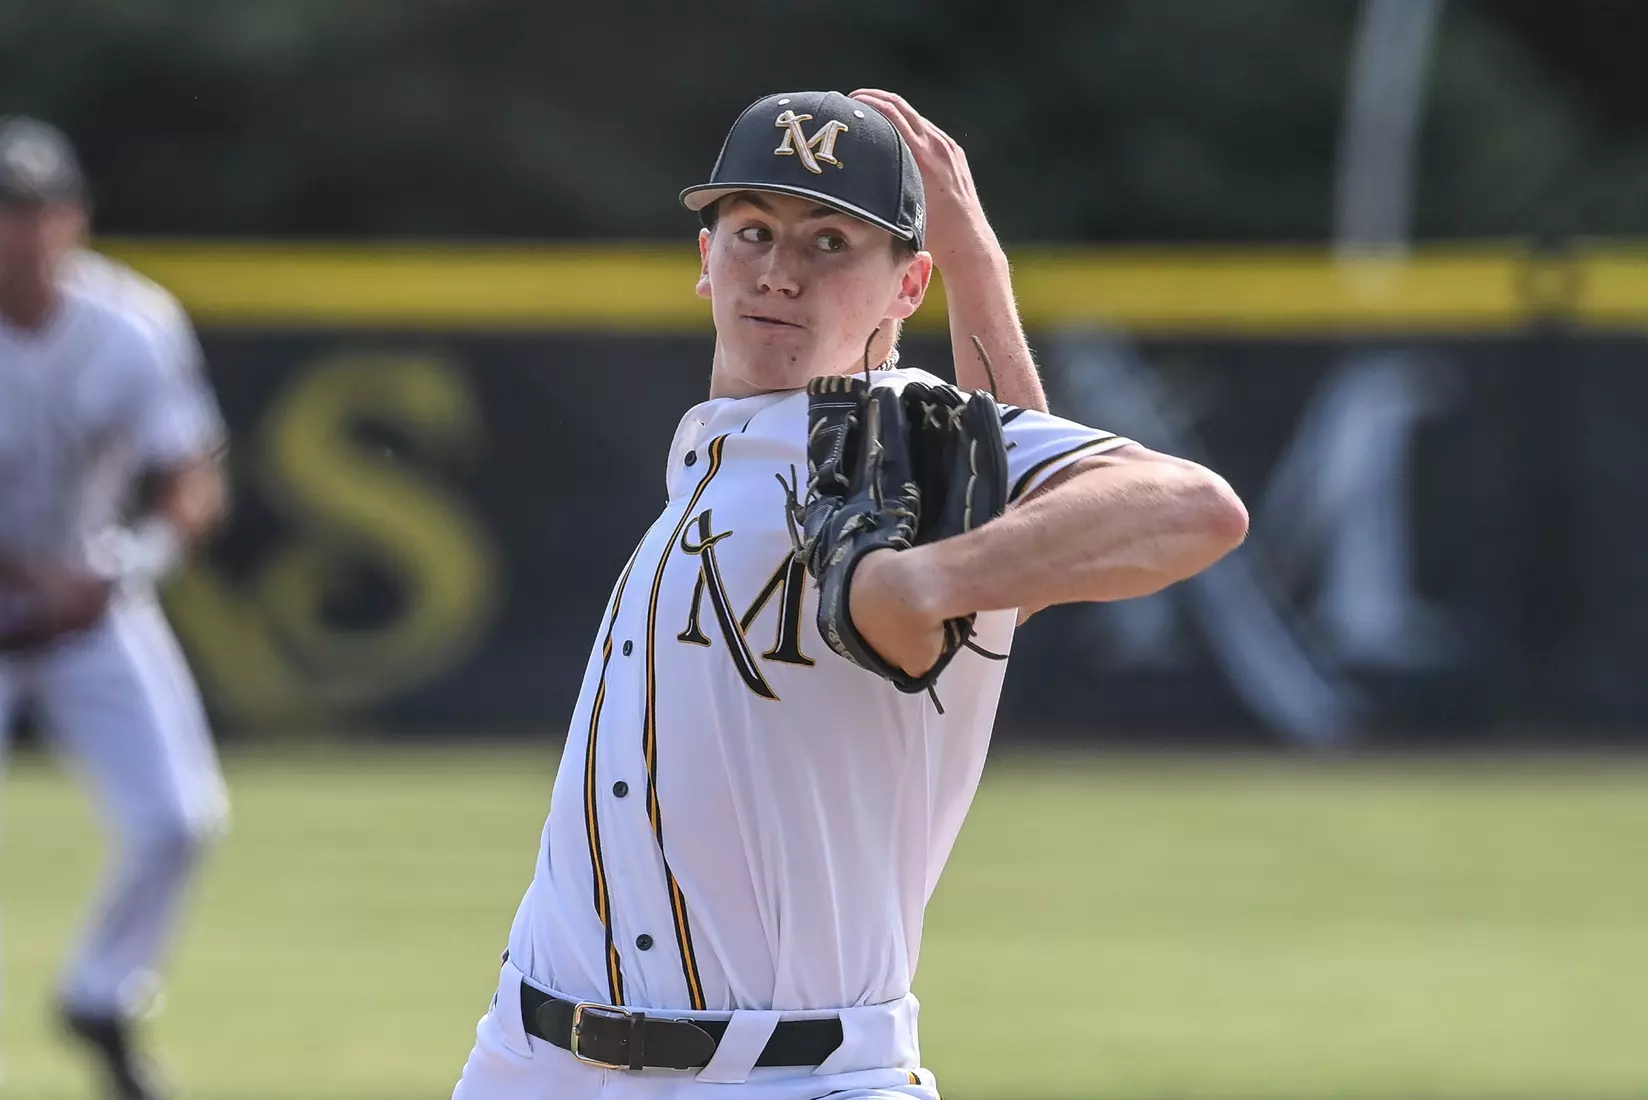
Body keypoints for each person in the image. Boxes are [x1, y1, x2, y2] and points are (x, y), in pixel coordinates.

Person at [450, 89, 1248, 1100]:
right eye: (752, 232)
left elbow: (1193, 508)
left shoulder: (878, 434)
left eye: (830, 242)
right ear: (704, 262)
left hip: (788, 1074)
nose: (779, 271)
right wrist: (977, 270)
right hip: (532, 1058)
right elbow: (1004, 488)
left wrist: (924, 579)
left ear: (905, 284)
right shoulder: (720, 453)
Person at [0, 116, 231, 1100]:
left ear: (73, 216)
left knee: (180, 816)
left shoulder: (132, 320)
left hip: (91, 599)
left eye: (33, 208)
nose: (20, 231)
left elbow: (194, 474)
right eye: (4, 212)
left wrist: (125, 562)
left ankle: (100, 994)